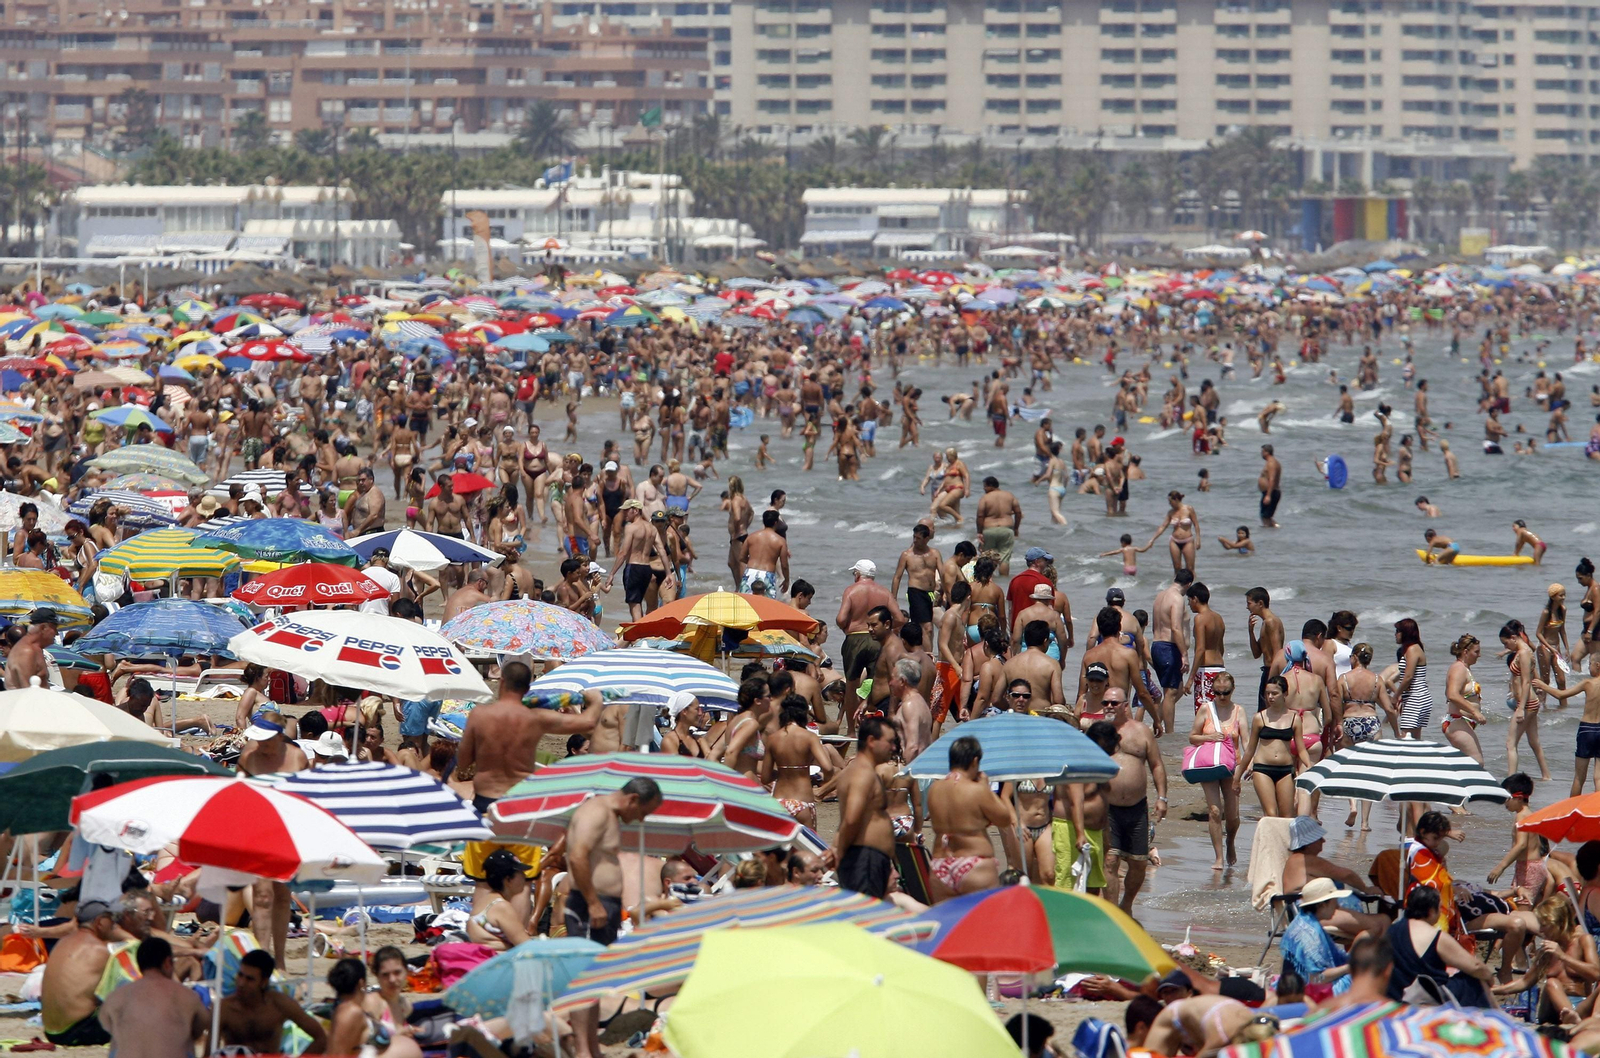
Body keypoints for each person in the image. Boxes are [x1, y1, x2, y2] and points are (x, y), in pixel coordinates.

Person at [455, 663, 604, 813]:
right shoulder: (535, 718)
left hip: (486, 797)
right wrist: (596, 700)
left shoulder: (479, 715)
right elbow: (588, 722)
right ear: (527, 689)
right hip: (519, 798)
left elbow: (463, 762)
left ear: (501, 681)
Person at [925, 735, 1019, 900]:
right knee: (981, 922)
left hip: (941, 864)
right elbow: (1004, 819)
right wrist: (985, 787)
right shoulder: (976, 790)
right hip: (974, 864)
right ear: (974, 761)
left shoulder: (935, 789)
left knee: (948, 924)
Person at [1104, 690, 1166, 914]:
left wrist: (1162, 797)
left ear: (1124, 705)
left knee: (1139, 863)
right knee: (1110, 861)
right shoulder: (1101, 732)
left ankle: (1126, 904)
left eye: (1113, 703)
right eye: (1105, 703)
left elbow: (1156, 765)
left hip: (1137, 807)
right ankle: (1111, 912)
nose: (1109, 706)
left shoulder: (1141, 731)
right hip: (1108, 808)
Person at [1386, 884, 1497, 1007]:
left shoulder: (1391, 931)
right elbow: (1475, 966)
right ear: (1431, 911)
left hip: (1395, 995)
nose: (1440, 913)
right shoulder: (1435, 936)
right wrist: (1490, 978)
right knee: (1474, 979)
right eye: (1439, 909)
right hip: (1426, 996)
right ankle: (1496, 1017)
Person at [98, 937, 210, 1058]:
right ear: (167, 963)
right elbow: (201, 1026)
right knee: (185, 1042)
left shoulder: (117, 996)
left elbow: (106, 1023)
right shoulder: (186, 995)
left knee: (118, 1041)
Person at [828, 716, 898, 899]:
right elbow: (851, 819)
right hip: (865, 860)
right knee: (867, 921)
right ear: (871, 741)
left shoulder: (855, 771)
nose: (894, 748)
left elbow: (845, 820)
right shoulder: (863, 774)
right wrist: (840, 852)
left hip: (868, 859)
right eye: (890, 742)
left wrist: (837, 847)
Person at [219, 948, 328, 1054]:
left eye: (250, 979)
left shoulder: (279, 1004)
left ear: (264, 982)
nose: (241, 983)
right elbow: (208, 1053)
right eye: (240, 975)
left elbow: (321, 1038)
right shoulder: (224, 1008)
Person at [41, 900, 117, 1046]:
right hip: (78, 1031)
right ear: (100, 922)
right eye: (112, 920)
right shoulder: (101, 949)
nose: (115, 925)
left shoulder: (62, 942)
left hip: (51, 1032)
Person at [1187, 670, 1241, 870]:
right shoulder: (1205, 709)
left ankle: (1230, 842)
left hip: (1231, 766)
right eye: (1217, 693)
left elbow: (1246, 742)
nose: (1221, 697)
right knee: (1215, 811)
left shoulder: (1239, 711)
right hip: (1209, 764)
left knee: (1233, 815)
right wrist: (1209, 737)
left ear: (1232, 690)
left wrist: (1246, 766)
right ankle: (1218, 857)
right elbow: (1192, 737)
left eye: (1225, 693)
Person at [1236, 676, 1309, 818]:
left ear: (1285, 694)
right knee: (1270, 814)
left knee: (1287, 816)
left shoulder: (1295, 718)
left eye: (1274, 693)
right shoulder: (1259, 718)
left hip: (1286, 770)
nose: (1270, 697)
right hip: (1263, 769)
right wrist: (1237, 777)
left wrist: (1309, 767)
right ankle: (1268, 840)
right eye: (1267, 693)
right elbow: (1250, 749)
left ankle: (1282, 841)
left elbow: (1301, 749)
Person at [327, 958, 422, 1058]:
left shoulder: (350, 1008)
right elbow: (337, 1054)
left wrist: (400, 1032)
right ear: (361, 983)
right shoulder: (350, 1011)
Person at [1279, 877, 1353, 998]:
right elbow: (1317, 979)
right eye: (1335, 901)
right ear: (1323, 904)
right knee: (1361, 978)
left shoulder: (1305, 921)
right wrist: (1349, 968)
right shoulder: (1309, 935)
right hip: (1305, 992)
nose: (1338, 906)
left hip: (1296, 984)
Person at [466, 848, 533, 950]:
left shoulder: (485, 901)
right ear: (508, 880)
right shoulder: (501, 906)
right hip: (496, 962)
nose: (525, 876)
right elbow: (527, 946)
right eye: (520, 873)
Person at [1394, 617, 1434, 737]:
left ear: (1405, 633)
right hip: (1418, 697)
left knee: (1406, 737)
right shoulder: (1414, 648)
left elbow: (1408, 677)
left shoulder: (1412, 649)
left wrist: (1395, 696)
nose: (1395, 635)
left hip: (1416, 698)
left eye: (1397, 631)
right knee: (1414, 739)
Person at [5, 607, 56, 688]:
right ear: (43, 628)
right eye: (54, 628)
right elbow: (26, 690)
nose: (56, 633)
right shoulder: (26, 651)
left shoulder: (35, 649)